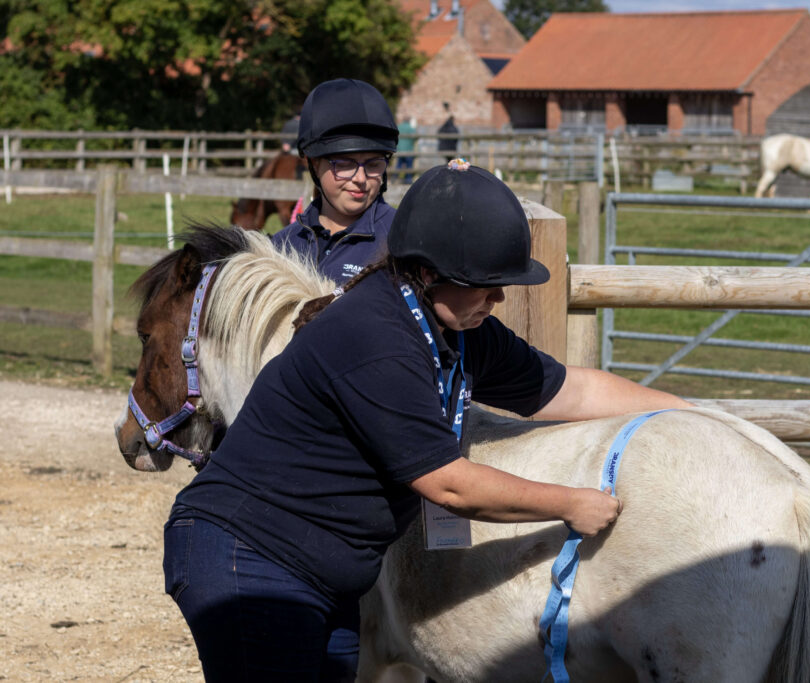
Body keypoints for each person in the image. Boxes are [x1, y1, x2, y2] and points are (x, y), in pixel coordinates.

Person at [163, 161, 694, 681]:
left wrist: (691, 413)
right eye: (485, 282)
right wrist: (571, 503)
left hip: (320, 569)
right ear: (427, 271)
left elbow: (569, 389)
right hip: (248, 556)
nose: (500, 297)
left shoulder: (459, 324)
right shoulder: (376, 338)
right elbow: (450, 486)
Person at [272, 78, 399, 284]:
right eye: (344, 164)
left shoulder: (400, 244)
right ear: (314, 164)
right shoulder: (282, 246)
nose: (360, 179)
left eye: (374, 164)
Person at [395, 116, 416, 183]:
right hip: (408, 150)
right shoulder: (410, 128)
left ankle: (394, 178)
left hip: (400, 150)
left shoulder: (399, 127)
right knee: (409, 166)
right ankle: (408, 180)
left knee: (398, 165)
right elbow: (415, 137)